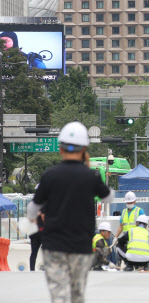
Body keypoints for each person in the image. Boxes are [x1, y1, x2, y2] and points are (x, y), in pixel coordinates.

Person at [27, 121, 113, 303]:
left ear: (60, 149)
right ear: (84, 150)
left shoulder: (50, 175)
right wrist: (89, 169)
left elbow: (32, 208)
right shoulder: (91, 176)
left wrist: (34, 217)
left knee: (59, 294)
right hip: (80, 247)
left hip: (54, 246)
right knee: (77, 294)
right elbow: (108, 198)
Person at [29, 190, 45, 271]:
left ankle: (32, 269)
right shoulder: (43, 204)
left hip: (33, 231)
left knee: (33, 252)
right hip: (41, 230)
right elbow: (43, 217)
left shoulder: (31, 205)